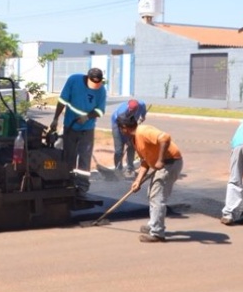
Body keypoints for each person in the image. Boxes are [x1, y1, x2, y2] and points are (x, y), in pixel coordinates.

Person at [117, 112, 183, 242]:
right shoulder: (135, 139)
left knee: (157, 196)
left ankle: (157, 232)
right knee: (152, 194)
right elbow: (145, 161)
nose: (120, 131)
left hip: (171, 163)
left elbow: (165, 138)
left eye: (120, 128)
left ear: (124, 127)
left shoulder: (143, 131)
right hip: (166, 163)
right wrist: (138, 181)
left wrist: (160, 159)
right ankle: (154, 224)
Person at [48, 67, 107, 196]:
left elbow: (100, 110)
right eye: (94, 82)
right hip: (70, 126)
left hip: (87, 129)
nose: (96, 85)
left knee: (84, 158)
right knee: (69, 156)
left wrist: (87, 117)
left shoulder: (101, 90)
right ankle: (68, 182)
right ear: (87, 77)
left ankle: (82, 187)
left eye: (98, 82)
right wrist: (55, 119)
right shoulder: (74, 80)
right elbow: (62, 100)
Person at [111, 99, 147, 176]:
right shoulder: (122, 113)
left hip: (131, 124)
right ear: (128, 106)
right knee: (119, 150)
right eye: (130, 110)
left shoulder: (141, 104)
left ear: (137, 108)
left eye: (133, 111)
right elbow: (123, 129)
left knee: (131, 146)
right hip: (117, 125)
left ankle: (130, 168)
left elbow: (143, 112)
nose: (131, 112)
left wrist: (143, 117)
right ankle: (118, 169)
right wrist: (127, 137)